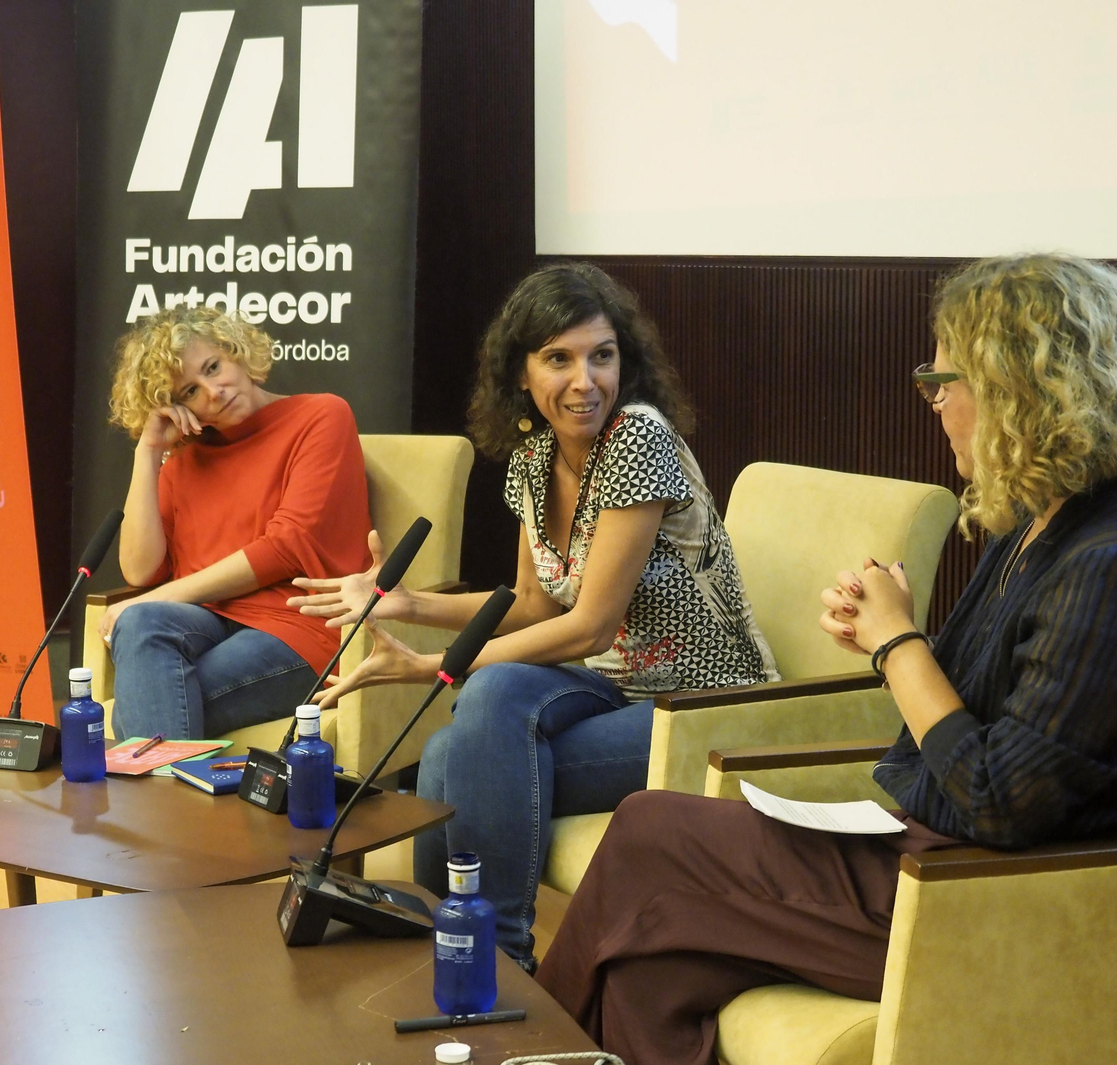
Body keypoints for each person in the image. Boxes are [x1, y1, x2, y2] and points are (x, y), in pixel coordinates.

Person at [535, 253, 1117, 1065]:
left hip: (1004, 913)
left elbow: (999, 798)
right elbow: (1001, 710)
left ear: (1025, 388)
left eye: (946, 379)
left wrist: (899, 642)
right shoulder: (1053, 521)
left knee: (652, 830)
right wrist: (898, 637)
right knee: (652, 977)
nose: (934, 401)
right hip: (936, 858)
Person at [290, 263, 776, 968]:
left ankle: (497, 958)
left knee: (454, 750)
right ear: (521, 372)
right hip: (614, 689)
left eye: (601, 356)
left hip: (703, 705)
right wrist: (404, 602)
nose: (585, 381)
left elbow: (590, 626)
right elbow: (532, 603)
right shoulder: (532, 459)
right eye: (559, 359)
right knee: (459, 738)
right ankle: (444, 947)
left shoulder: (638, 438)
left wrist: (429, 664)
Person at [99, 304, 371, 740]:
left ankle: (148, 808)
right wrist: (148, 454)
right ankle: (167, 806)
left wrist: (153, 598)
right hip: (206, 624)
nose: (213, 391)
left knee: (154, 698)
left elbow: (282, 549)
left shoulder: (321, 416)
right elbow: (139, 569)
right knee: (142, 625)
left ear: (236, 352)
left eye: (213, 367)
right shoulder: (185, 459)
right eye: (189, 391)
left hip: (295, 627)